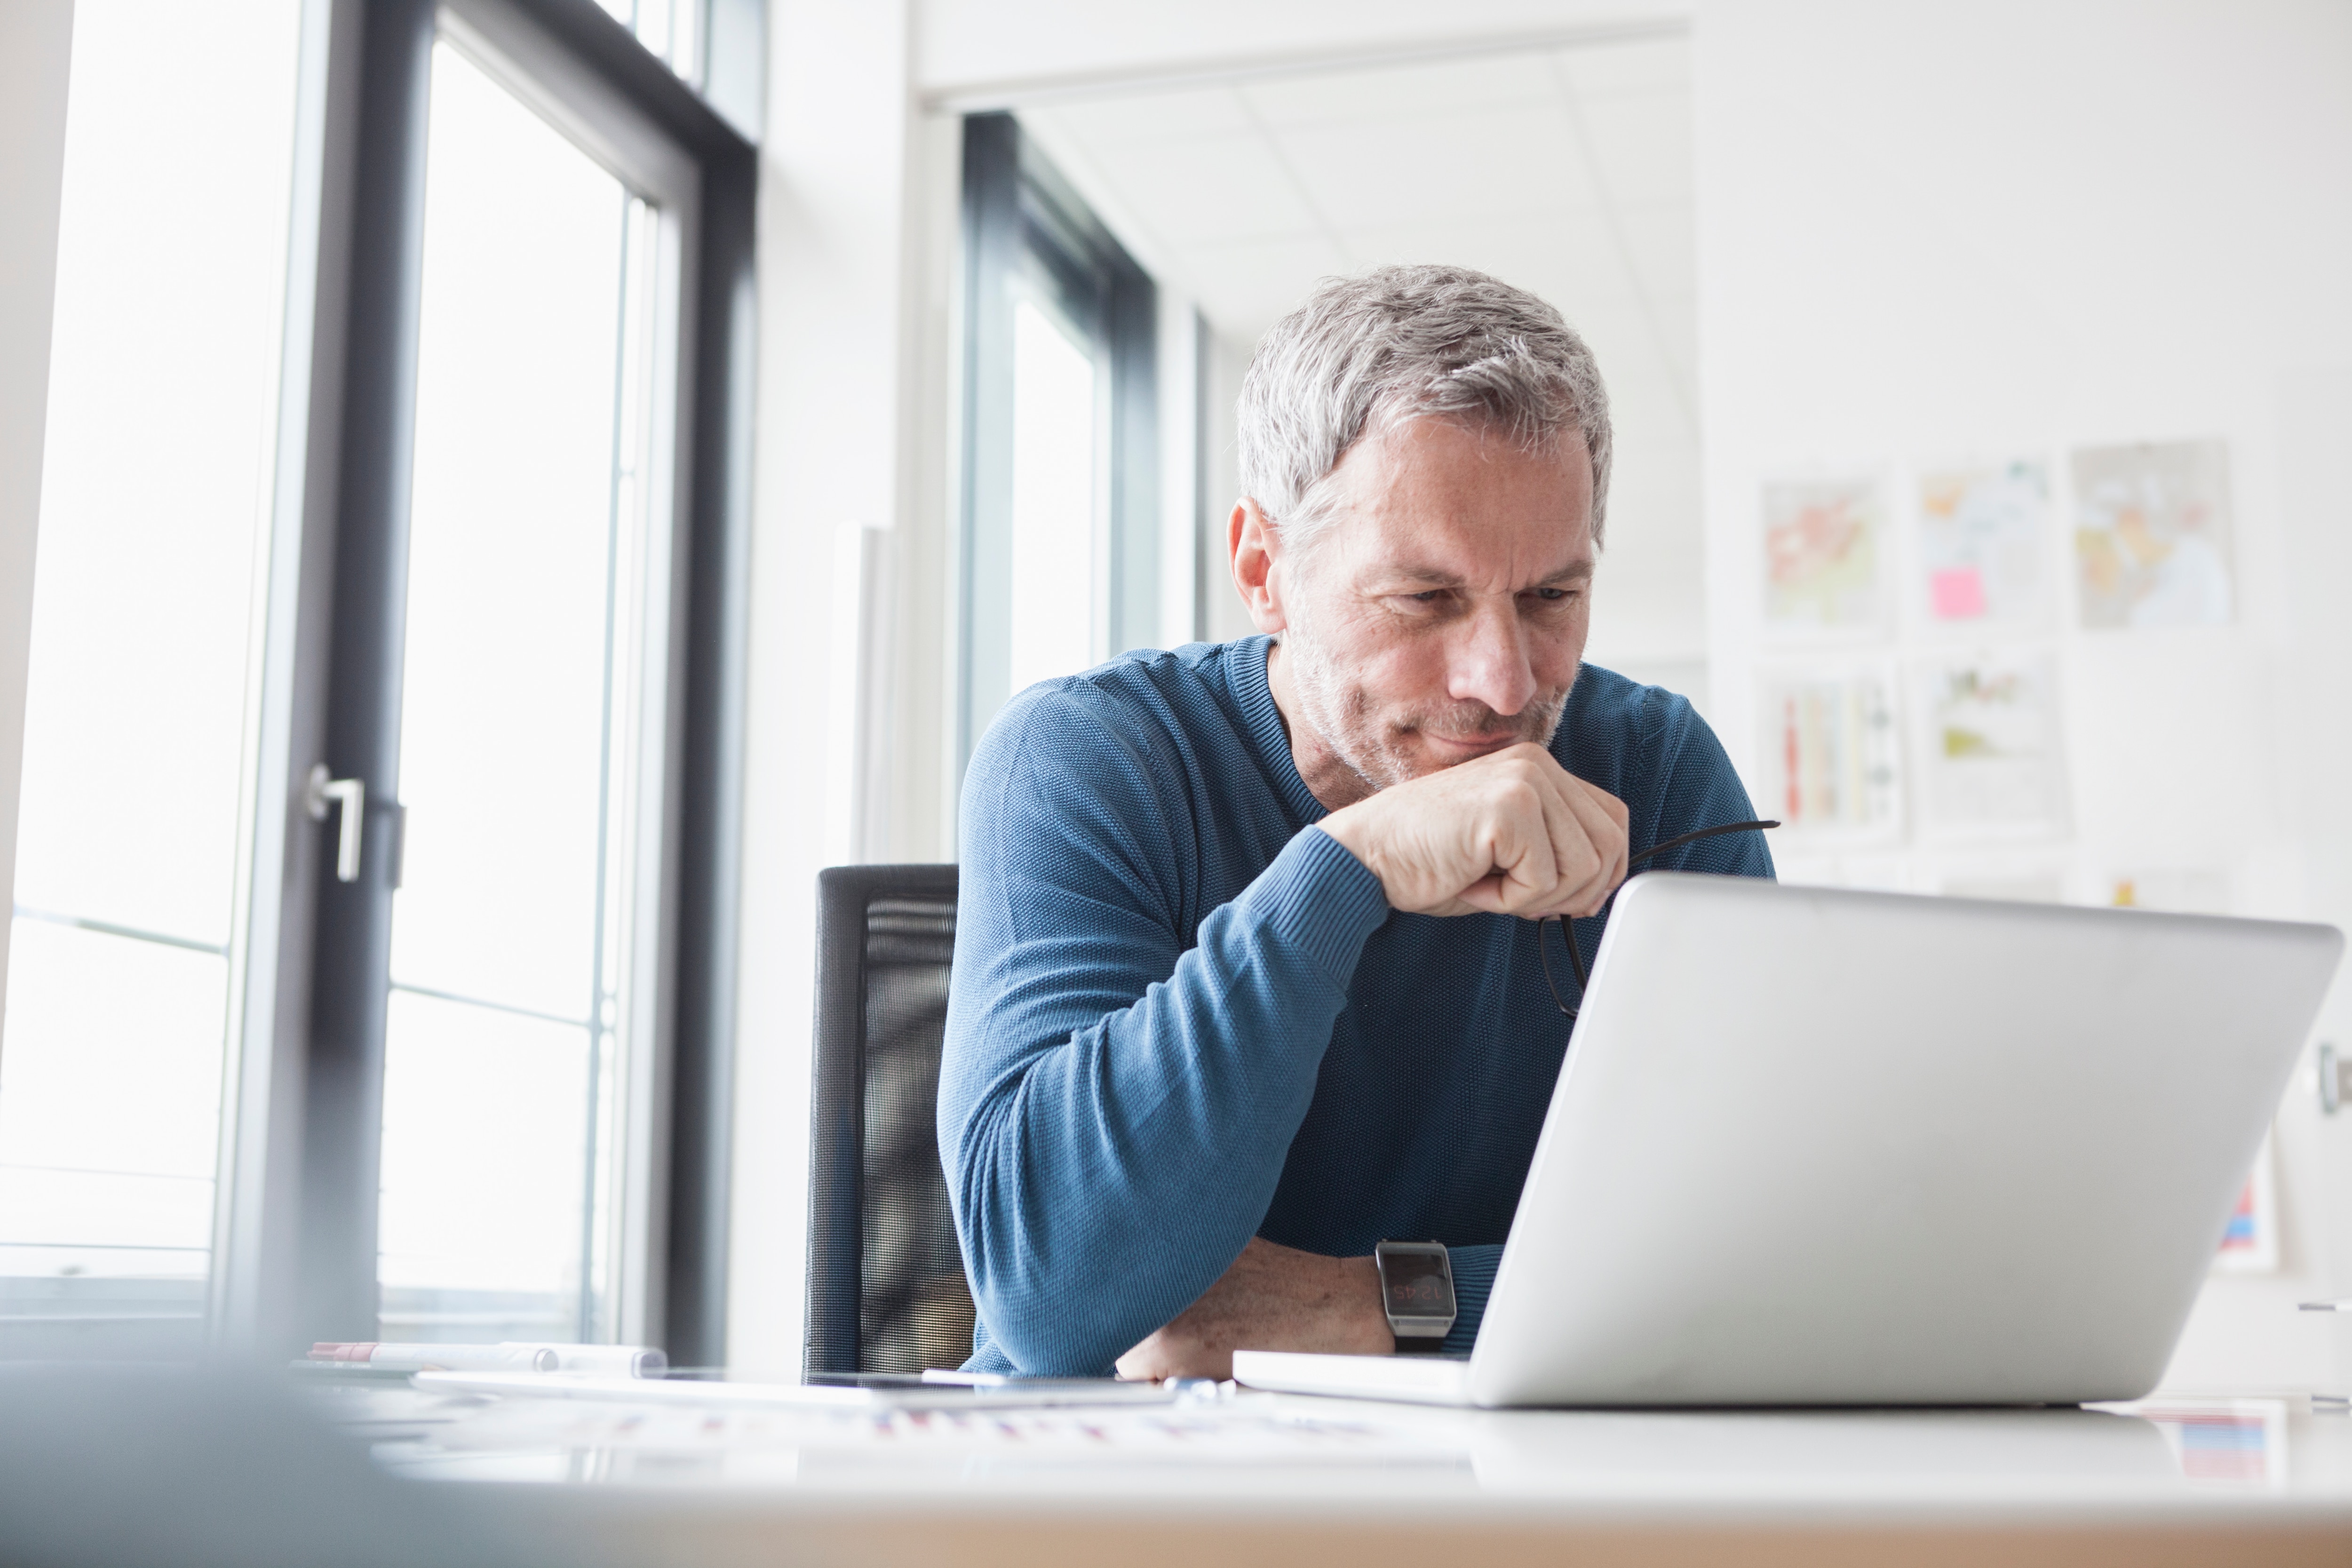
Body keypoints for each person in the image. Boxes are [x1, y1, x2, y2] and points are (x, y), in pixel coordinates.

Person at [939, 263, 1772, 1380]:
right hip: (1123, 1493)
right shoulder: (1086, 758)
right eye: (1424, 600)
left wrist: (1359, 1309)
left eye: (1550, 597)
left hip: (1513, 1490)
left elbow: (1765, 1257)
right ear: (1263, 569)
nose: (1503, 680)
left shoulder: (1657, 768)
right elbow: (1055, 1294)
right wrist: (1345, 867)